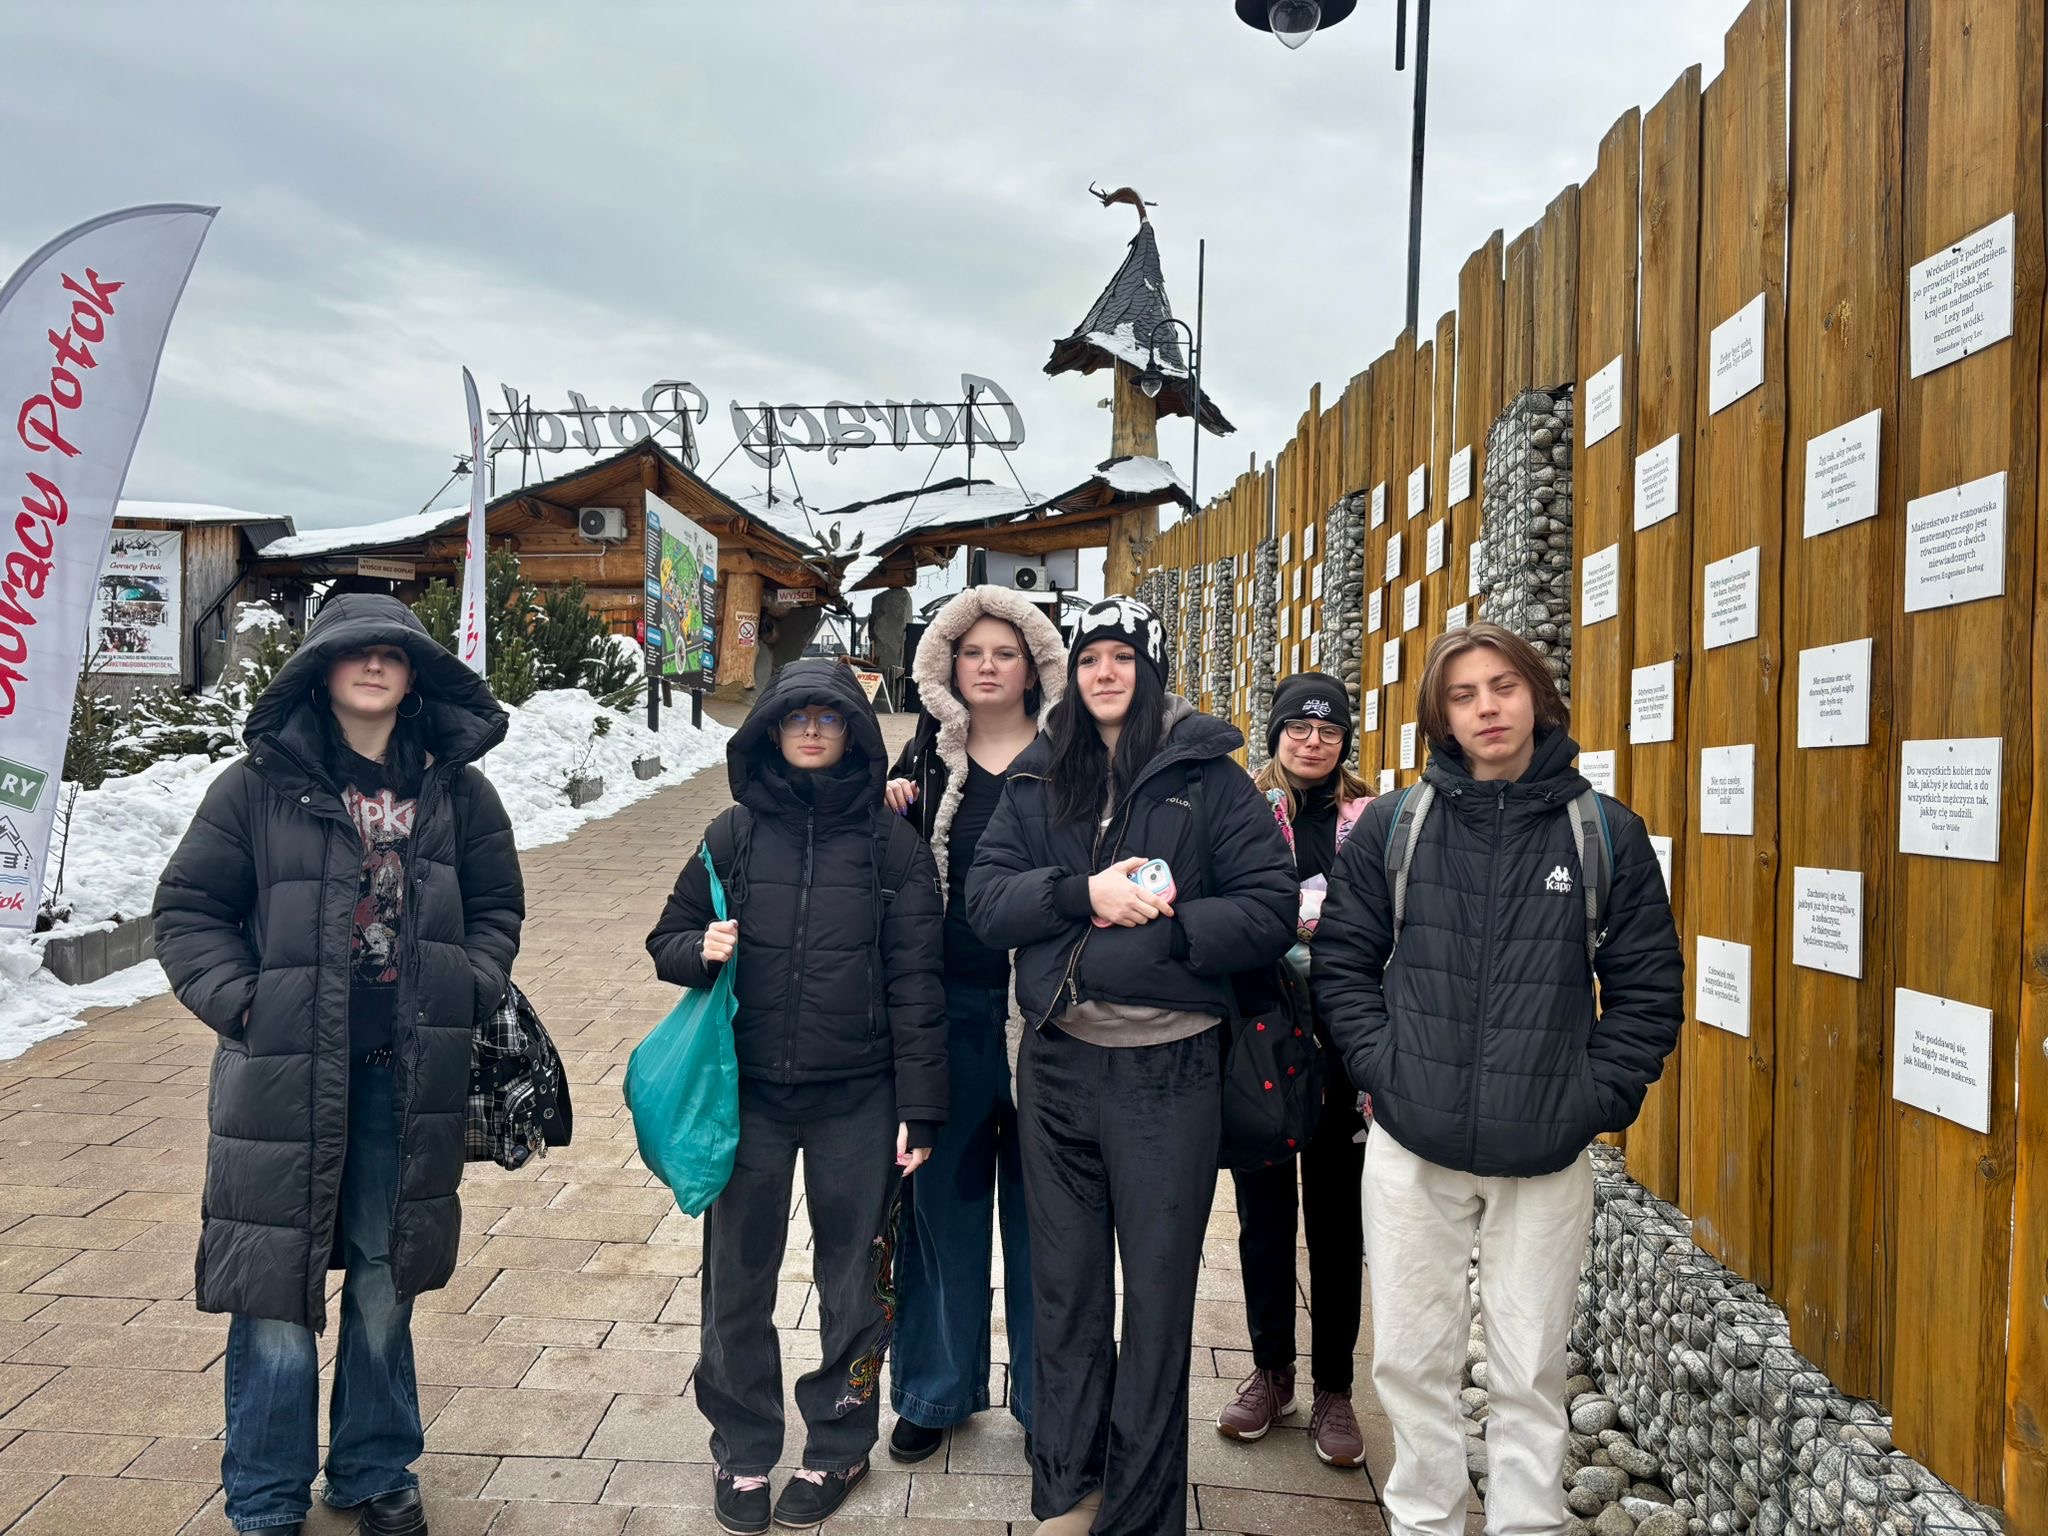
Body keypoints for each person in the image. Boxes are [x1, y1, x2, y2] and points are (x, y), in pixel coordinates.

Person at [153, 593, 525, 1536]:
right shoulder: (256, 788)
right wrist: (243, 1002)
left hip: (407, 1075)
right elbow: (189, 910)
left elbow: (497, 908)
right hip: (283, 1075)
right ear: (319, 670)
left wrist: (470, 985)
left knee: (384, 1276)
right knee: (274, 1286)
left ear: (415, 673)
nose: (373, 665)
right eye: (354, 652)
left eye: (392, 653)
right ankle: (266, 1493)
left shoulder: (458, 793)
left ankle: (373, 1467)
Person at [1312, 622, 1683, 1536]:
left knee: (1530, 1370)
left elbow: (1647, 990)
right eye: (1464, 694)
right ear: (1441, 715)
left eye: (1503, 687)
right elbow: (1344, 966)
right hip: (1412, 1140)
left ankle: (1527, 1523)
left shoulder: (1605, 833)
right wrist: (1385, 1070)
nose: (1487, 708)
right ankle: (1424, 1520)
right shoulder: (1397, 827)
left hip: (1546, 1148)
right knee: (1410, 1361)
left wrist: (1591, 1100)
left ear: (1538, 697)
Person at [968, 596, 1297, 1536]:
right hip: (1058, 1069)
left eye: (1122, 657)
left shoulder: (1209, 779)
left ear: (1150, 671)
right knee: (1065, 1293)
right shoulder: (1040, 775)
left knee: (1157, 1300)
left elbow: (1270, 906)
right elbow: (986, 901)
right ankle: (1067, 1492)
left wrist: (1169, 931)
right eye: (1089, 659)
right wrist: (1084, 894)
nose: (1104, 673)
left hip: (1170, 1073)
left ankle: (1145, 1514)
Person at [646, 658, 946, 1536]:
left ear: (854, 731)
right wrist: (699, 947)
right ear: (771, 731)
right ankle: (741, 1445)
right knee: (737, 1277)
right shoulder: (731, 835)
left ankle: (841, 1442)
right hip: (750, 1098)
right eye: (795, 717)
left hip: (860, 1096)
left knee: (856, 1281)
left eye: (829, 717)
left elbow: (917, 985)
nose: (812, 730)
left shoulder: (893, 847)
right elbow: (667, 938)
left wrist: (921, 1108)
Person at [880, 587, 1067, 1462]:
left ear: (1035, 666)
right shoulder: (923, 762)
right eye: (972, 652)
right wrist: (883, 807)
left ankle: (1049, 1398)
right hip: (947, 1013)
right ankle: (936, 1386)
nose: (988, 666)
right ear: (946, 666)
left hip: (1052, 1014)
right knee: (939, 1207)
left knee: (1050, 1219)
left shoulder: (1072, 758)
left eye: (1006, 652)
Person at [1216, 672, 1374, 1466]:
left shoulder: (1371, 817)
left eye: (1329, 730)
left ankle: (1335, 1388)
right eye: (1299, 728)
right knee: (1265, 1216)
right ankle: (1270, 1372)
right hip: (1263, 1040)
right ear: (1275, 732)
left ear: (1345, 739)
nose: (1314, 742)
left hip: (1345, 1043)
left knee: (1339, 1223)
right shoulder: (1244, 809)